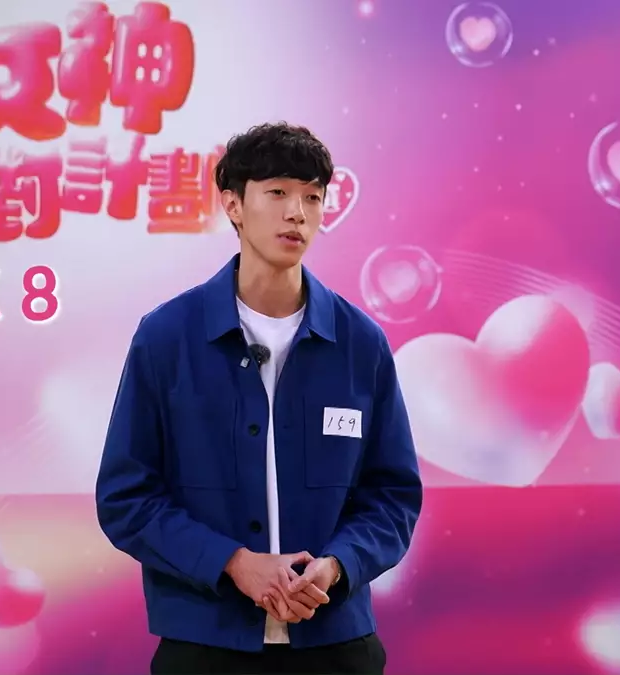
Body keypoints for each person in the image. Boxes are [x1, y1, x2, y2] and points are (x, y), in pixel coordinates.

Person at [94, 122, 423, 675]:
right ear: (233, 205)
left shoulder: (360, 343)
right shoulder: (167, 337)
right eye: (277, 193)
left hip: (336, 646)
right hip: (204, 646)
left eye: (312, 197)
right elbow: (127, 497)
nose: (297, 213)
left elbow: (393, 496)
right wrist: (232, 563)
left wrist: (339, 566)